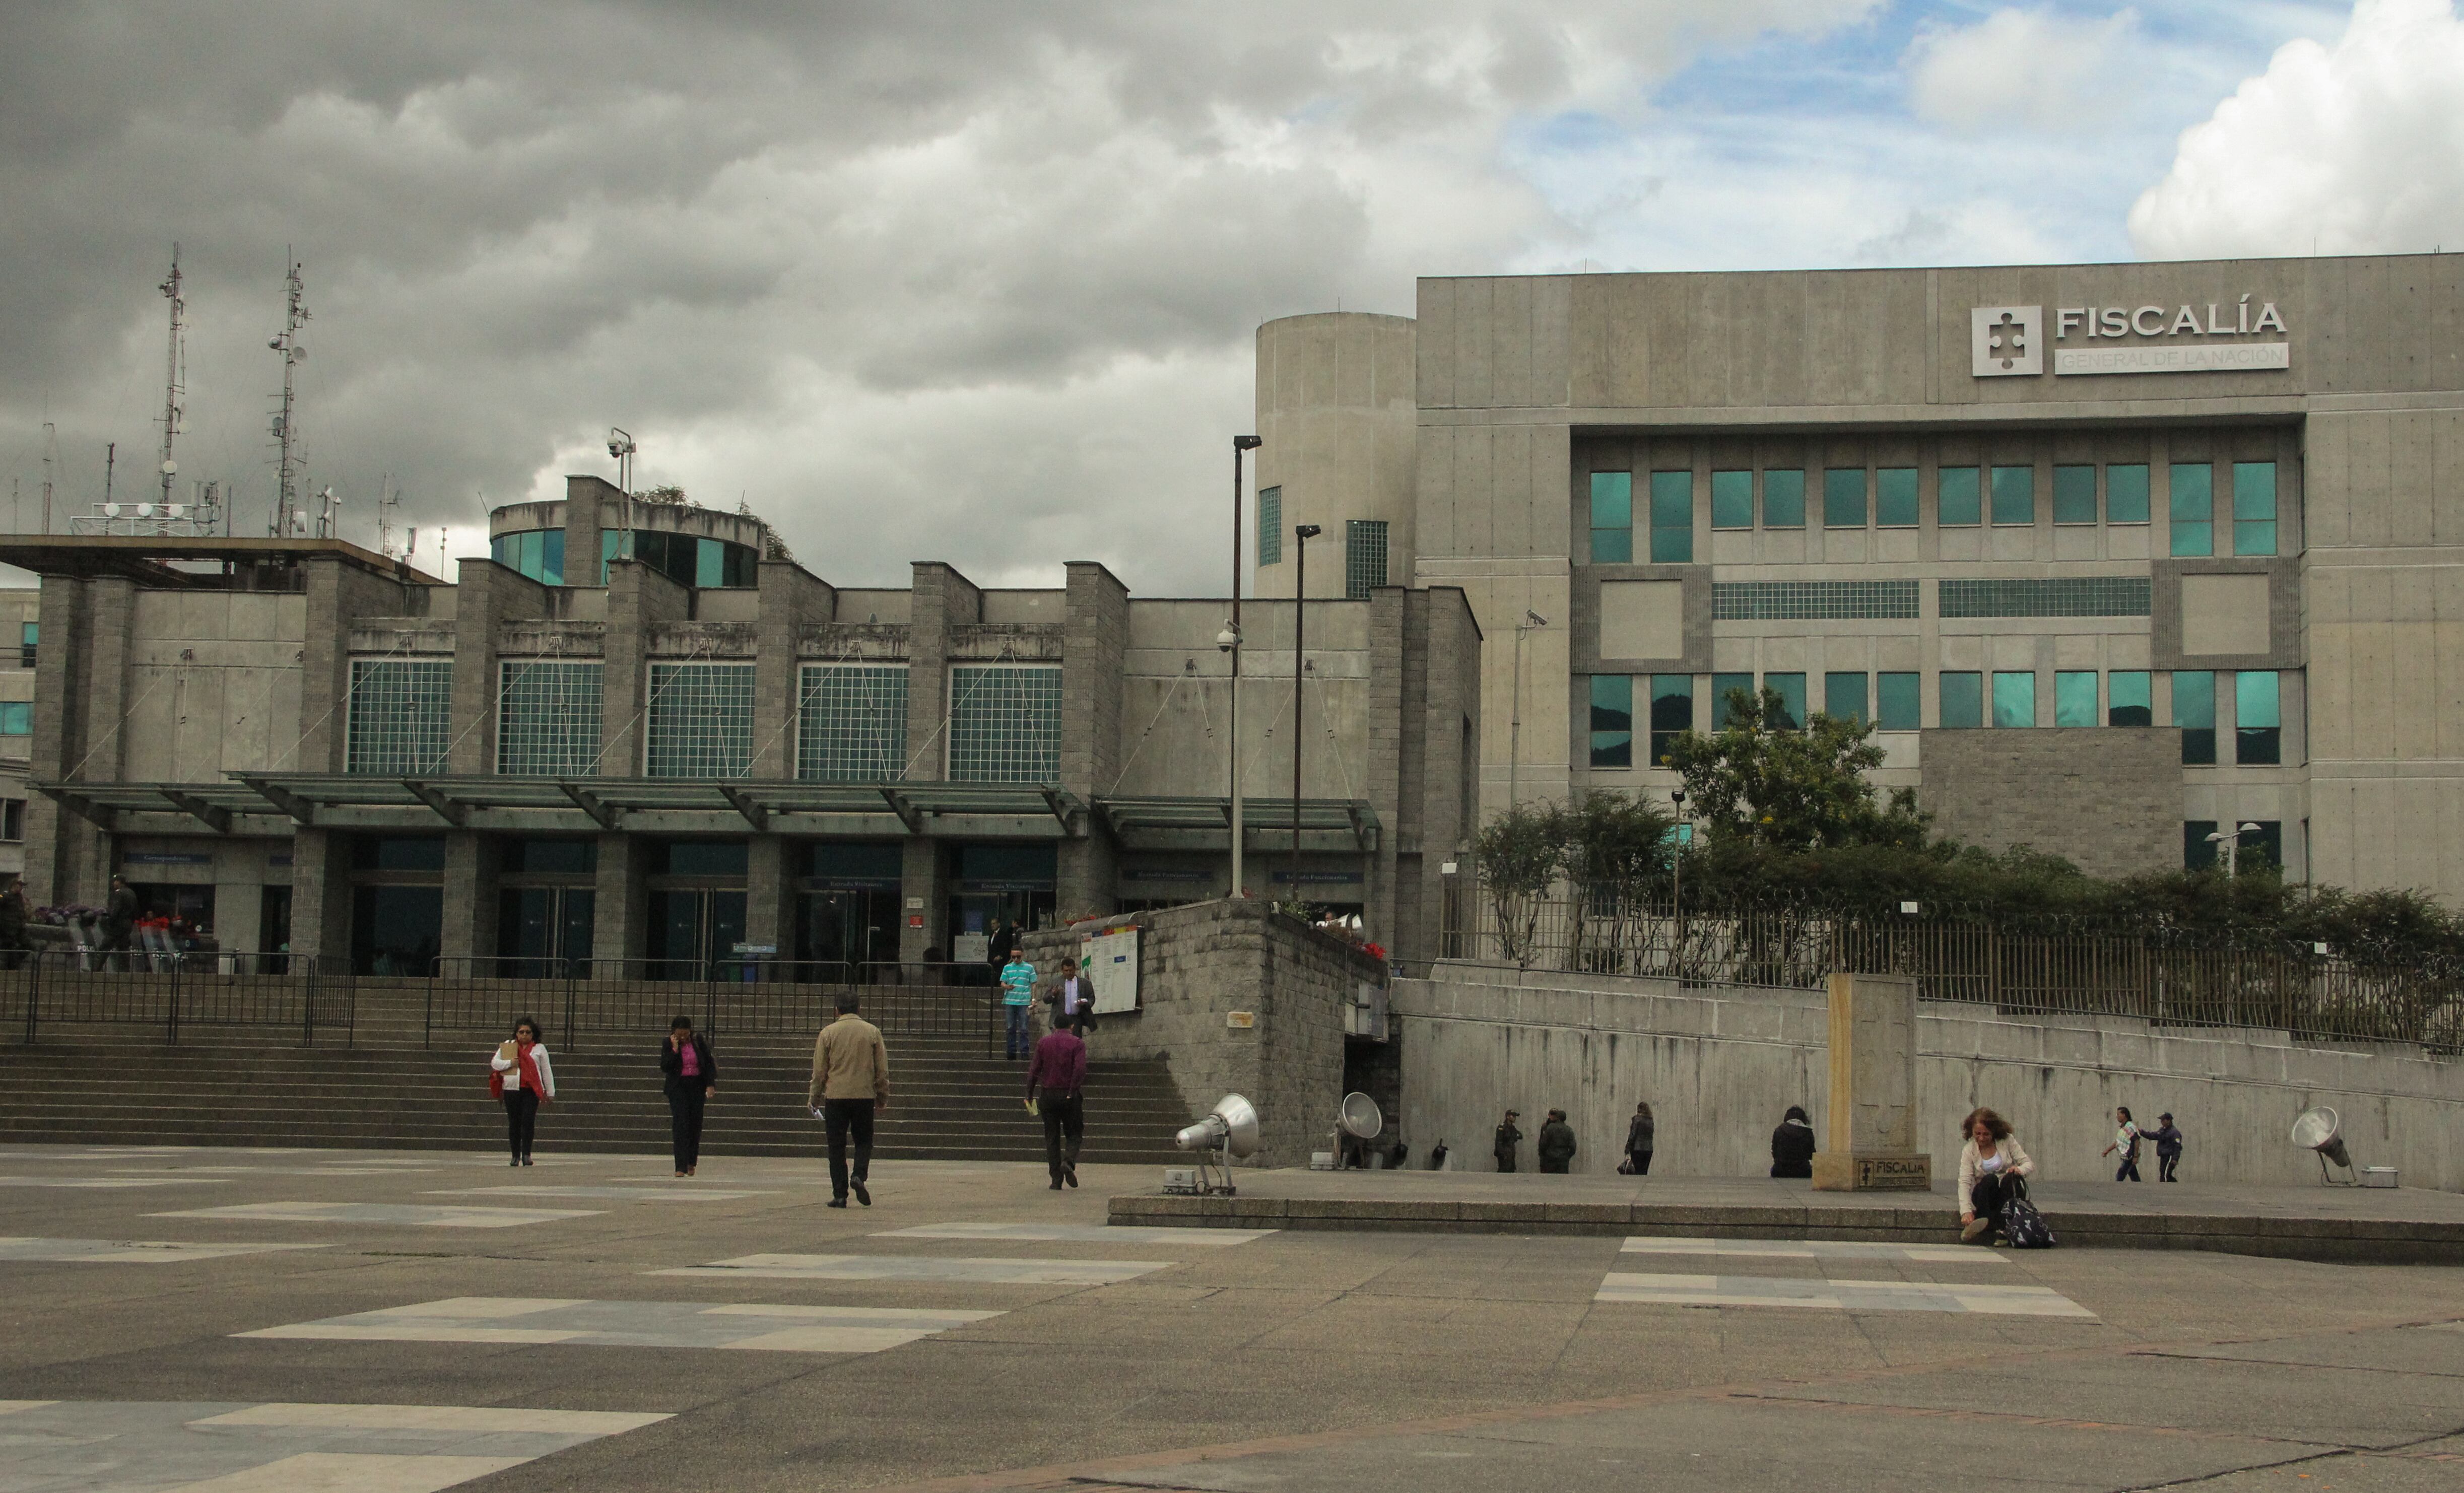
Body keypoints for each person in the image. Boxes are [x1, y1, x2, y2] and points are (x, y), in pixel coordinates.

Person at [808, 992, 890, 1207]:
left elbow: (820, 1071)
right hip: (863, 1095)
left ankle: (840, 1194)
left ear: (837, 1010)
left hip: (836, 1096)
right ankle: (859, 1175)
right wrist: (882, 1095)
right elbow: (882, 1070)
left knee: (836, 1145)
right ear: (859, 1008)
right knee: (864, 1140)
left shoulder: (828, 1033)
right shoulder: (872, 1032)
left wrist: (814, 1097)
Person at [1026, 1014, 1088, 1189]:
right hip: (1069, 1095)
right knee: (1074, 1133)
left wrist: (1029, 1093)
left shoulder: (1043, 1043)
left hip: (1048, 1095)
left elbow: (1034, 1070)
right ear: (1072, 1026)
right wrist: (1072, 1090)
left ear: (1054, 1027)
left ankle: (1056, 1180)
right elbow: (1080, 1069)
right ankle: (1068, 1161)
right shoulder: (1078, 1043)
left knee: (1052, 1137)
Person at [1957, 1106, 2035, 1243]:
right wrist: (1966, 1211)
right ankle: (1983, 1221)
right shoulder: (1969, 1150)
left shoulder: (2007, 1140)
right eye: (1978, 1134)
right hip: (1986, 1193)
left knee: (2010, 1179)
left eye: (1986, 1134)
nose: (1982, 1138)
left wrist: (2019, 1170)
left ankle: (2002, 1228)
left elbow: (2028, 1164)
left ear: (1993, 1132)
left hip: (2007, 1192)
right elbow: (1965, 1181)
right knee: (1990, 1179)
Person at [488, 1016, 556, 1166]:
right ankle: (515, 1155)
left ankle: (526, 1154)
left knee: (528, 1121)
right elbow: (495, 1063)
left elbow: (546, 1071)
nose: (524, 1035)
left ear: (533, 1034)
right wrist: (510, 1063)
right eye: (521, 1032)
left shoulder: (539, 1049)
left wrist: (550, 1092)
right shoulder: (509, 1046)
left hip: (531, 1091)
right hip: (511, 1089)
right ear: (517, 1033)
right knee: (514, 1123)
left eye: (528, 1032)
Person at [658, 1015, 719, 1177]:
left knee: (695, 1124)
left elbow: (708, 1063)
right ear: (674, 1032)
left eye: (686, 1034)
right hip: (678, 1087)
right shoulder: (668, 1043)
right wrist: (675, 1050)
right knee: (680, 1124)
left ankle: (691, 1161)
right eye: (680, 1034)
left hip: (697, 1086)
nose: (683, 1037)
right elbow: (665, 1066)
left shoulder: (698, 1041)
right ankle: (680, 1166)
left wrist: (710, 1084)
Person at [999, 945, 1037, 1060]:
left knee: (1024, 1028)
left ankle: (1025, 1052)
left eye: (1018, 957)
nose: (1016, 959)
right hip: (1010, 1000)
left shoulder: (1029, 968)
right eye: (1013, 957)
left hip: (1024, 1001)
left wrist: (1034, 999)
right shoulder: (1007, 968)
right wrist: (1007, 987)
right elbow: (1002, 982)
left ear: (1022, 955)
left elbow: (1034, 984)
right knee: (1010, 1027)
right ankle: (1011, 1052)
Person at [97, 875, 139, 972]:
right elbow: (136, 911)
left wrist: (110, 922)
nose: (114, 884)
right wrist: (130, 922)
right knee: (124, 947)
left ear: (119, 882)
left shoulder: (119, 893)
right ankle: (125, 971)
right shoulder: (132, 893)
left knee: (105, 946)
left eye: (115, 881)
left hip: (118, 924)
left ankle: (96, 969)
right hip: (128, 924)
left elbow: (115, 910)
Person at [1048, 955, 1098, 1036]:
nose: (1069, 973)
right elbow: (1046, 999)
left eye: (1071, 970)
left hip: (1076, 1018)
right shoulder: (1056, 982)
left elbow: (1091, 998)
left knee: (1075, 1040)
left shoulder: (1085, 983)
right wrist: (1053, 995)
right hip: (1061, 1018)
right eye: (1066, 971)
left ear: (1075, 969)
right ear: (1062, 971)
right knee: (1060, 1040)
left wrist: (1085, 1004)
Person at [1770, 1104, 1816, 1178]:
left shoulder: (1779, 1131)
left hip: (1780, 1171)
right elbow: (1811, 1155)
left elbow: (1775, 1153)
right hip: (1803, 1171)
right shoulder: (1808, 1132)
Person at [2103, 1105, 2145, 1182]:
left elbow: (2137, 1141)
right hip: (2124, 1156)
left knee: (2120, 1175)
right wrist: (2108, 1150)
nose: (2117, 1117)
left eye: (2118, 1114)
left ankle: (2117, 1188)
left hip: (2129, 1156)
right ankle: (2140, 1188)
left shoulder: (2130, 1127)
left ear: (2124, 1115)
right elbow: (2118, 1142)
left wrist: (2135, 1156)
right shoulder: (2123, 1128)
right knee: (2134, 1176)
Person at [0, 875, 30, 971]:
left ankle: (15, 962)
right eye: (19, 886)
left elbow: (22, 913)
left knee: (27, 944)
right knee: (9, 949)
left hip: (18, 929)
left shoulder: (20, 898)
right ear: (14, 886)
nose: (21, 888)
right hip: (7, 930)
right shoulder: (5, 895)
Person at [1537, 1108, 1577, 1174]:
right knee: (1563, 1178)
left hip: (1550, 1158)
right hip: (1563, 1159)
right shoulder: (1569, 1130)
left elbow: (1544, 1143)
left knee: (1550, 1178)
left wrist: (1544, 1155)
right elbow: (1573, 1146)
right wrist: (1567, 1156)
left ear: (1557, 1118)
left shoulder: (1550, 1128)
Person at [2148, 1112, 2184, 1182]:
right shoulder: (2163, 1130)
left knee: (2168, 1175)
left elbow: (2177, 1146)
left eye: (2163, 1120)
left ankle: (2173, 1185)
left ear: (2169, 1121)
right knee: (2162, 1171)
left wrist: (2175, 1159)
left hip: (2171, 1156)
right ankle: (2163, 1185)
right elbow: (2154, 1136)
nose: (2161, 1122)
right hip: (2164, 1155)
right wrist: (2142, 1132)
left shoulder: (2175, 1132)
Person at [1624, 1101, 1655, 1176]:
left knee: (1637, 1172)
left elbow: (1633, 1134)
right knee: (1644, 1172)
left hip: (1637, 1149)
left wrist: (1628, 1148)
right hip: (1649, 1149)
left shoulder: (1637, 1119)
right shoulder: (1651, 1121)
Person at [1493, 1109, 1522, 1173]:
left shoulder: (1512, 1128)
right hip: (1504, 1155)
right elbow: (1499, 1143)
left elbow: (1520, 1135)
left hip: (1511, 1154)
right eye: (1513, 1116)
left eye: (1515, 1116)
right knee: (1503, 1171)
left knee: (1511, 1171)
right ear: (1508, 1117)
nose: (1515, 1118)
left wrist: (1514, 1137)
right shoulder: (1502, 1127)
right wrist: (1503, 1155)